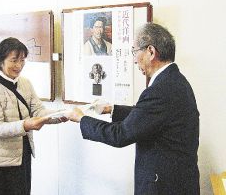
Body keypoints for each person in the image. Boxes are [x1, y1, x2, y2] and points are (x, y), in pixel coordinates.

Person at [67, 23, 200, 194]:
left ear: (151, 52)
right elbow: (149, 117)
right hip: (177, 180)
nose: (134, 59)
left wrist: (82, 119)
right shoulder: (174, 81)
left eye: (135, 51)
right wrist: (111, 109)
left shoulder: (160, 90)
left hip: (164, 186)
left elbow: (120, 134)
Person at [0, 37, 67, 195]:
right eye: (14, 60)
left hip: (21, 156)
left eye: (22, 60)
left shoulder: (25, 83)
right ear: (1, 60)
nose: (19, 65)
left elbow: (39, 111)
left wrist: (61, 115)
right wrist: (26, 125)